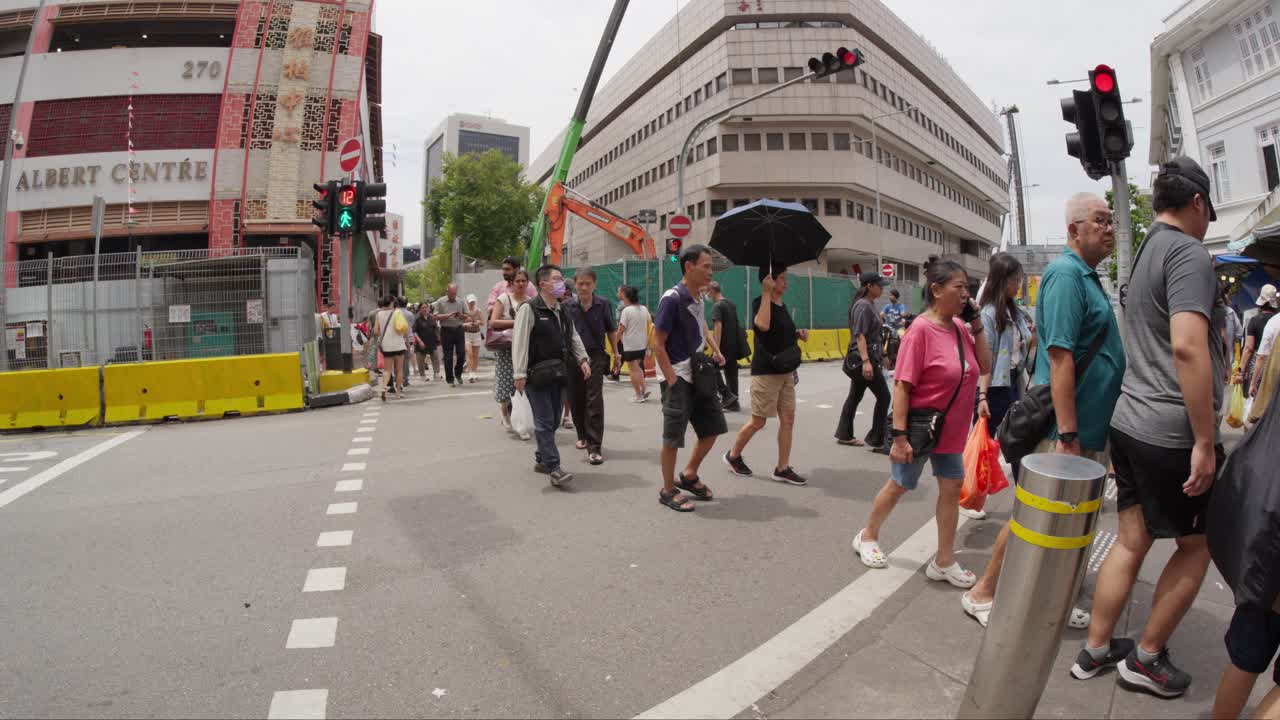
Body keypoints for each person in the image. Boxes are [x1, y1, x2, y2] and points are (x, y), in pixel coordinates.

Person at [1081, 158, 1228, 698]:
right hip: (1169, 428)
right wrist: (1206, 442)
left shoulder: (1146, 250)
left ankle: (1097, 648)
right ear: (1197, 203)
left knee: (1133, 538)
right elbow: (1188, 346)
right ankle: (1145, 657)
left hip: (1130, 419)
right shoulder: (1189, 253)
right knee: (1199, 544)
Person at [963, 194, 1125, 631]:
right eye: (1100, 220)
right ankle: (984, 591)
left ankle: (1056, 596)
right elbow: (1059, 358)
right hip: (1066, 430)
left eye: (1111, 220)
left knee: (1072, 524)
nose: (1109, 228)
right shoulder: (1066, 275)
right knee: (1033, 517)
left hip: (1089, 430)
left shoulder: (1088, 277)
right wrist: (1067, 433)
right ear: (1074, 230)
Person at [852, 259, 992, 589]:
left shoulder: (959, 327)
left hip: (952, 430)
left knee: (951, 489)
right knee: (901, 484)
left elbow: (984, 364)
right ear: (936, 290)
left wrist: (977, 325)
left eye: (967, 289)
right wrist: (899, 437)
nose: (965, 295)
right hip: (920, 429)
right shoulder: (920, 331)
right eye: (959, 288)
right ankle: (868, 535)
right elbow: (902, 386)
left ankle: (944, 560)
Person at [654, 244, 728, 513]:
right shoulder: (672, 298)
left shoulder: (698, 297)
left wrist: (716, 351)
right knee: (673, 436)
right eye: (706, 266)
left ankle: (689, 474)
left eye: (711, 266)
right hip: (678, 376)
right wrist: (672, 378)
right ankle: (667, 489)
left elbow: (702, 326)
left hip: (698, 372)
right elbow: (657, 343)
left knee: (713, 427)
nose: (711, 272)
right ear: (689, 267)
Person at [723, 267, 808, 486]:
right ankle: (733, 456)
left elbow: (780, 333)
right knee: (758, 421)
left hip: (786, 370)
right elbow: (762, 325)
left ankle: (782, 468)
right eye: (782, 278)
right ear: (769, 281)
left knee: (788, 419)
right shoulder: (760, 302)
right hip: (766, 371)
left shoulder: (782, 305)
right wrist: (766, 294)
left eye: (785, 279)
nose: (785, 283)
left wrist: (797, 334)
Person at [512, 264, 590, 488]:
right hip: (536, 375)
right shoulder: (530, 308)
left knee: (555, 419)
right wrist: (519, 373)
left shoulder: (562, 309)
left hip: (559, 373)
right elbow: (520, 341)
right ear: (543, 284)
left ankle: (541, 458)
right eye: (556, 279)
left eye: (561, 279)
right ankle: (554, 468)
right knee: (545, 421)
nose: (561, 283)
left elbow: (573, 335)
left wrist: (583, 359)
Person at [563, 267, 618, 465]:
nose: (584, 287)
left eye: (588, 283)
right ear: (575, 285)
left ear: (594, 284)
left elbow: (611, 330)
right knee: (576, 397)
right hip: (573, 357)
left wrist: (617, 354)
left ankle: (595, 446)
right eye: (580, 284)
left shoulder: (603, 304)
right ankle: (582, 435)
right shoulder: (567, 306)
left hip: (596, 355)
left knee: (594, 398)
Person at [835, 272, 891, 452]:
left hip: (870, 357)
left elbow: (874, 336)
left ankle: (844, 434)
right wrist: (867, 361)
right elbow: (859, 335)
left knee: (855, 395)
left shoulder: (870, 304)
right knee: (884, 396)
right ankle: (877, 439)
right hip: (863, 359)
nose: (882, 288)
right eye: (879, 285)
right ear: (869, 286)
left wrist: (883, 355)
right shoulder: (863, 306)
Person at [491, 269, 531, 437]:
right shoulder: (504, 299)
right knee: (506, 387)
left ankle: (520, 424)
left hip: (525, 348)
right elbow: (493, 322)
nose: (521, 284)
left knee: (522, 386)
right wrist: (517, 322)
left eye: (524, 281)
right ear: (512, 283)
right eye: (518, 281)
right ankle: (505, 412)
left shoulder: (531, 302)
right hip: (507, 348)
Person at [709, 281, 745, 412]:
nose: (707, 295)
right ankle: (734, 402)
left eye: (708, 292)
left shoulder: (717, 306)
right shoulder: (731, 304)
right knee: (731, 373)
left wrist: (716, 349)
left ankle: (727, 396)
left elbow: (718, 326)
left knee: (711, 368)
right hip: (733, 344)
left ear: (712, 291)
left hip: (723, 345)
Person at [615, 285, 653, 403]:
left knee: (633, 370)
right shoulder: (644, 309)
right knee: (638, 368)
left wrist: (614, 343)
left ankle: (638, 394)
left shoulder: (626, 311)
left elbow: (620, 330)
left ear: (626, 297)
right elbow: (649, 325)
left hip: (630, 346)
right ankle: (643, 389)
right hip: (642, 345)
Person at [1239, 284, 1278, 397]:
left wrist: (1240, 372)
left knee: (1253, 397)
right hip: (1275, 362)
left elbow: (1248, 348)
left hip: (1257, 364)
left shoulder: (1254, 321)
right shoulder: (1277, 320)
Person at [373, 295, 409, 401]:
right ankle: (398, 392)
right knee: (399, 369)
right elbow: (404, 328)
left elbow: (375, 331)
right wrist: (407, 341)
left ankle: (384, 387)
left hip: (386, 345)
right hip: (399, 344)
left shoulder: (379, 314)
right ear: (392, 302)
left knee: (387, 370)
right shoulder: (398, 312)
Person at [433, 284, 468, 387]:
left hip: (459, 329)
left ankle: (458, 373)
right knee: (448, 356)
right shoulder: (440, 301)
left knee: (461, 353)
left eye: (455, 293)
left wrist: (461, 316)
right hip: (446, 331)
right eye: (451, 293)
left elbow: (467, 316)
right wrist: (447, 315)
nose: (453, 296)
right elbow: (435, 317)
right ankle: (450, 379)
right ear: (447, 291)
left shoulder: (460, 301)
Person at [881, 288, 908, 369]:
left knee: (903, 340)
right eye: (889, 295)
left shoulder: (901, 306)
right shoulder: (887, 306)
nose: (889, 297)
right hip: (889, 328)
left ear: (896, 297)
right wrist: (878, 318)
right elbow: (881, 314)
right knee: (881, 338)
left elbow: (903, 313)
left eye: (891, 295)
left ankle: (904, 359)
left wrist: (903, 318)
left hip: (899, 328)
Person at [413, 304, 439, 381]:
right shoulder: (417, 319)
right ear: (420, 309)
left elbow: (436, 328)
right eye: (423, 308)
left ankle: (436, 373)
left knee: (435, 357)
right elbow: (414, 331)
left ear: (429, 309)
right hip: (421, 342)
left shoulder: (432, 318)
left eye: (426, 307)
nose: (425, 309)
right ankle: (422, 375)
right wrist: (419, 341)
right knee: (420, 359)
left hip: (432, 341)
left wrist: (438, 337)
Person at [463, 294, 484, 383]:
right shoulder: (464, 312)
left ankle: (474, 372)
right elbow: (460, 323)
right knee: (469, 353)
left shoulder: (478, 311)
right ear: (467, 302)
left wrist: (478, 322)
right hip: (467, 334)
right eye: (470, 302)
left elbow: (483, 322)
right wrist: (466, 324)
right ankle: (470, 373)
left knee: (475, 355)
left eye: (473, 302)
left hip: (476, 334)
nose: (471, 303)